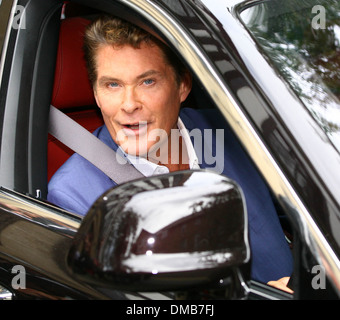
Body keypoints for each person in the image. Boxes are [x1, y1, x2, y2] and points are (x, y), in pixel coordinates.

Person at [48, 16, 293, 289]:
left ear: (182, 86)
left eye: (147, 81)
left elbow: (298, 216)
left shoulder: (234, 131)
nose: (129, 104)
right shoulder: (75, 195)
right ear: (95, 93)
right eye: (112, 85)